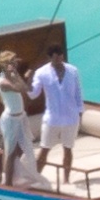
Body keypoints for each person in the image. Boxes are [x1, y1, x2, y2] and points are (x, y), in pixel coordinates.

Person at [31, 43, 84, 182]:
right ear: (50, 58)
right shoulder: (41, 72)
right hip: (52, 119)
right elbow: (33, 94)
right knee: (45, 149)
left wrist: (80, 113)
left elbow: (78, 93)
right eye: (55, 57)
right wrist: (26, 82)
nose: (59, 59)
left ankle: (66, 180)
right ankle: (36, 178)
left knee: (68, 149)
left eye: (60, 56)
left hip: (71, 118)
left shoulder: (73, 71)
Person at [0, 48, 41, 188]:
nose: (15, 65)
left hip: (20, 118)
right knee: (10, 152)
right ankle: (7, 183)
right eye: (12, 62)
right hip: (10, 120)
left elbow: (25, 88)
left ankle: (17, 175)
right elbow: (20, 88)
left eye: (15, 62)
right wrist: (22, 77)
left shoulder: (13, 75)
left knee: (22, 149)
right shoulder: (3, 82)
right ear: (5, 64)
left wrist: (25, 77)